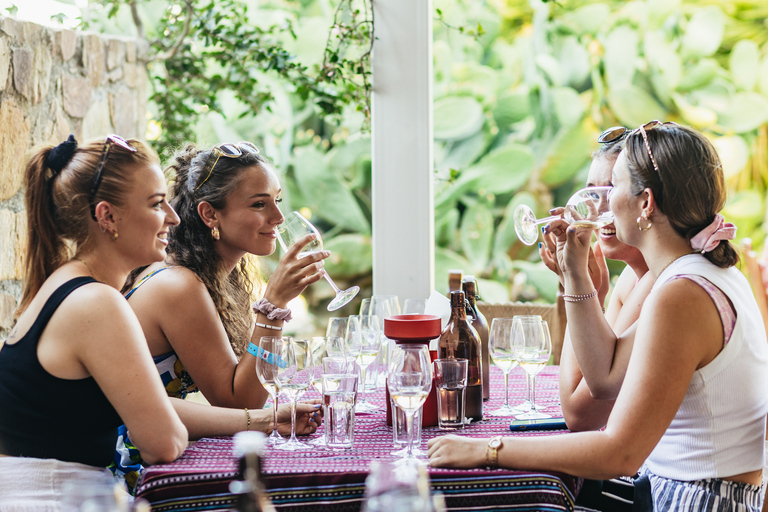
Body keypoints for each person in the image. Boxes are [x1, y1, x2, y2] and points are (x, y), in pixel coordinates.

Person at [429, 122, 768, 511]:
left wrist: (488, 450)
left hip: (697, 501)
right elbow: (605, 378)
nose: (599, 204)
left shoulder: (681, 293)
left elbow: (619, 454)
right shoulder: (700, 275)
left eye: (614, 187)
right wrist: (575, 274)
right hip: (689, 492)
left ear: (646, 203)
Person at [0, 135, 188, 508]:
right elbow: (164, 442)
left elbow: (143, 406)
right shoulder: (97, 303)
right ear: (107, 216)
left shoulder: (64, 284)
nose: (173, 217)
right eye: (156, 203)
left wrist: (257, 421)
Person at [123, 142, 326, 429]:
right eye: (259, 204)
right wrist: (273, 305)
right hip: (129, 462)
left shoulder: (214, 275)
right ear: (209, 214)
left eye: (276, 201)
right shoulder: (178, 285)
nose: (278, 219)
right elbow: (238, 403)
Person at [540, 131, 652, 433]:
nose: (599, 211)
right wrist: (593, 291)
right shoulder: (632, 275)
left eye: (612, 190)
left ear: (647, 200)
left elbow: (580, 415)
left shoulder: (663, 281)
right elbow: (591, 378)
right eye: (592, 194)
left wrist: (577, 284)